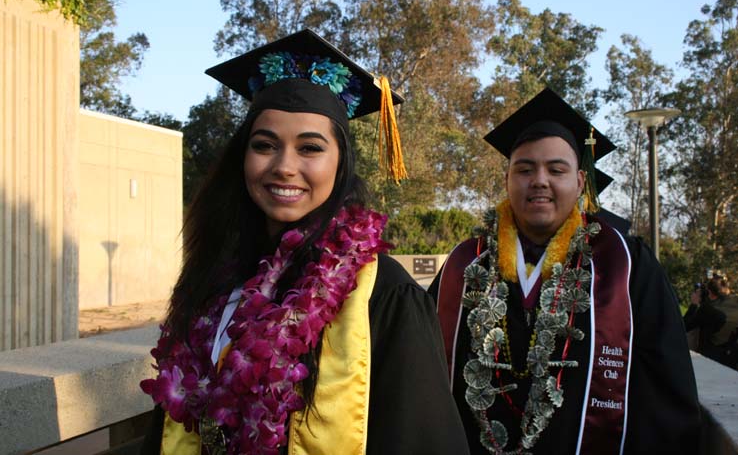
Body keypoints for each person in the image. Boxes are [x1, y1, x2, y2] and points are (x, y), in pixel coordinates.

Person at [139, 29, 469, 455]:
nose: (284, 166)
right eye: (265, 145)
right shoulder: (214, 281)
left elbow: (420, 439)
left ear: (340, 162)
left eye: (310, 148)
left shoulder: (383, 294)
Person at [430, 88, 701, 454]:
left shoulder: (627, 265)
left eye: (556, 169)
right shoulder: (465, 265)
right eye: (524, 169)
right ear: (508, 180)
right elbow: (426, 374)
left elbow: (665, 385)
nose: (539, 180)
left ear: (579, 182)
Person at [684, 278, 727, 362]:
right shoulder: (730, 305)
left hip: (707, 355)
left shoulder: (707, 309)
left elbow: (685, 326)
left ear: (709, 292)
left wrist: (694, 304)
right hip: (725, 354)